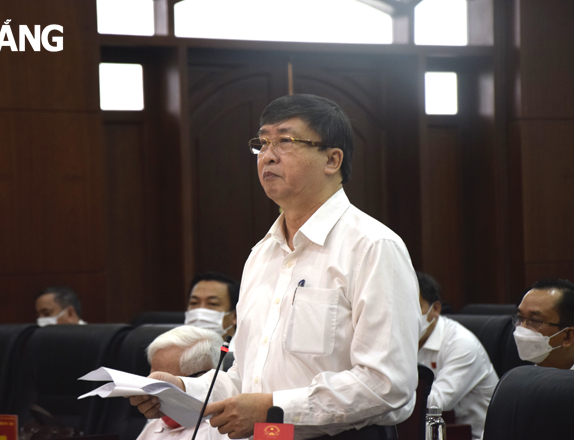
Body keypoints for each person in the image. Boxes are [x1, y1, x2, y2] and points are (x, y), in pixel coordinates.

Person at [130, 94, 420, 440]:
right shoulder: (262, 255)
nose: (267, 155)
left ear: (332, 159)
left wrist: (273, 408)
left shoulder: (372, 247)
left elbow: (387, 383)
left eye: (285, 141)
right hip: (268, 435)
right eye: (262, 142)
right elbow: (244, 377)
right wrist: (181, 391)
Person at [416, 271, 498, 440]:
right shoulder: (403, 339)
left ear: (436, 309)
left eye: (414, 308)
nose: (408, 317)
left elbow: (435, 405)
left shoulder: (461, 343)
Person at [137, 326, 229, 440]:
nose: (154, 391)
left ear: (201, 379)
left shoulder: (223, 432)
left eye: (163, 383)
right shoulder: (155, 423)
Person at [513, 278, 574, 370]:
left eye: (535, 320)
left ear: (568, 336)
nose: (522, 328)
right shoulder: (522, 378)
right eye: (520, 318)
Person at [184, 272, 239, 341]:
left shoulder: (246, 350)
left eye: (212, 304)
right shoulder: (172, 348)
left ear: (235, 316)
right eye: (194, 303)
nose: (200, 311)